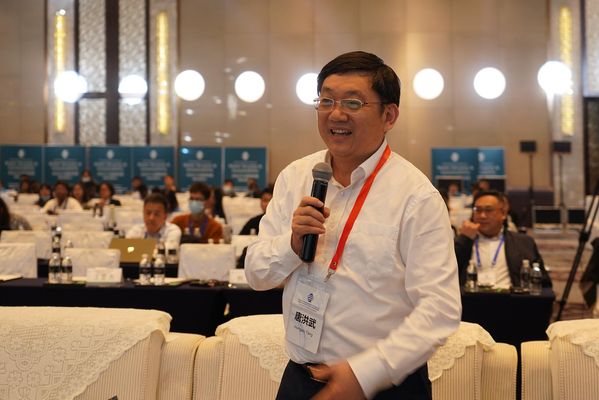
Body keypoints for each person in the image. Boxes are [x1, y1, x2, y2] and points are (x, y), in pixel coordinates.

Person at [245, 51, 461, 400]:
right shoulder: (295, 177)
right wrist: (292, 245)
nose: (336, 114)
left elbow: (440, 310)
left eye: (353, 102)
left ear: (389, 116)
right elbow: (256, 274)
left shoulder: (416, 197)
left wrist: (366, 374)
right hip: (300, 379)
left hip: (383, 387)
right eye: (326, 100)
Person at [454, 190, 552, 288]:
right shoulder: (465, 242)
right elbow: (449, 270)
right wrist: (464, 239)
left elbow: (543, 283)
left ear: (503, 213)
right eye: (478, 210)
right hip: (471, 295)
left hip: (509, 295)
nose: (482, 216)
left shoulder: (523, 242)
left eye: (488, 210)